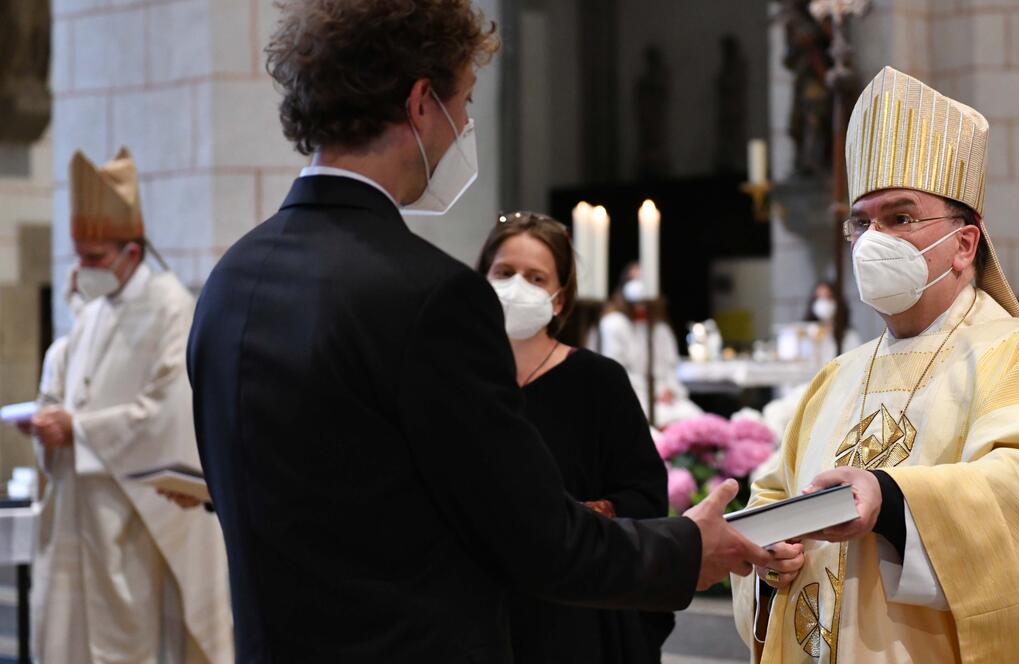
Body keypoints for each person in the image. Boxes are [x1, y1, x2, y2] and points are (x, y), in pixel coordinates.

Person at [186, 1, 786, 660]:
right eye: (464, 101)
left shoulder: (230, 281)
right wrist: (687, 548)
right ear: (421, 103)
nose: (464, 127)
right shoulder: (429, 295)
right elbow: (538, 537)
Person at [731, 66, 1019, 663]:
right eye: (861, 222)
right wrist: (767, 558)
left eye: (901, 218)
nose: (874, 240)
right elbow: (772, 495)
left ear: (965, 244)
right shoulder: (836, 378)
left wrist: (891, 500)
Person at [25, 147, 232, 663]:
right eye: (79, 256)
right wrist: (50, 421)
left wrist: (77, 429)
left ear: (131, 252)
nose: (83, 269)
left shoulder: (170, 307)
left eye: (95, 258)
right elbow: (73, 388)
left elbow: (168, 413)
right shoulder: (95, 310)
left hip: (132, 521)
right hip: (78, 511)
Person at [477, 211, 673, 663]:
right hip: (479, 603)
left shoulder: (597, 380)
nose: (517, 287)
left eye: (536, 277)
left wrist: (565, 521)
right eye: (504, 272)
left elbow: (645, 496)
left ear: (559, 299)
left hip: (575, 606)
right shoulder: (461, 376)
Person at [598, 262, 703, 427]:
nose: (638, 286)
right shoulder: (613, 324)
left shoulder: (660, 328)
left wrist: (670, 389)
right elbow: (616, 371)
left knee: (699, 422)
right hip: (634, 395)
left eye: (643, 280)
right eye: (633, 280)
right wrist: (654, 392)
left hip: (668, 399)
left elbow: (672, 367)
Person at [802, 281, 861, 364]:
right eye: (818, 297)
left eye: (828, 297)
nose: (823, 302)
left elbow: (856, 362)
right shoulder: (805, 332)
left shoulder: (849, 335)